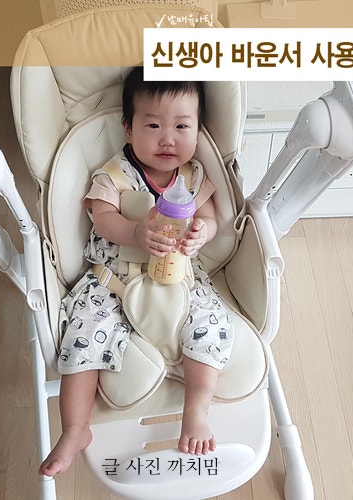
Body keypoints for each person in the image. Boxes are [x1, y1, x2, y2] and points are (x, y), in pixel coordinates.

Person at [39, 67, 234, 477]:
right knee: (83, 332)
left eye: (182, 126)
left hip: (178, 280)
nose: (168, 138)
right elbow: (102, 217)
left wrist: (202, 231)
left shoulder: (194, 176)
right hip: (114, 279)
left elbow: (211, 218)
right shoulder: (114, 174)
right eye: (153, 125)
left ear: (198, 130)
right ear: (128, 128)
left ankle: (196, 411)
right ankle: (75, 429)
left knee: (212, 321)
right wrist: (134, 232)